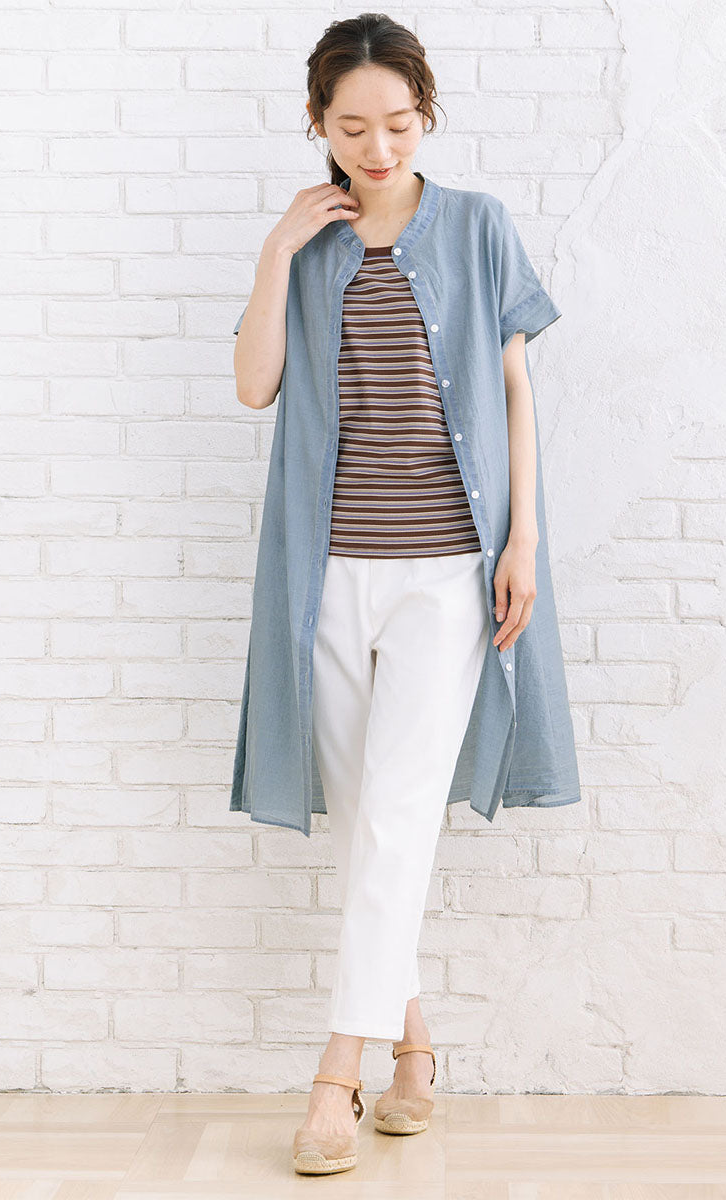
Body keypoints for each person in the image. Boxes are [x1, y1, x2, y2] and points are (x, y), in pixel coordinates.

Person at [231, 12, 582, 1177]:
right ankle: (415, 1052)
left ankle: (335, 1075)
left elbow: (516, 388)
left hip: (446, 577)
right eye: (350, 128)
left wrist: (524, 538)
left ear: (425, 114)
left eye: (397, 124)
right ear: (317, 124)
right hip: (327, 578)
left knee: (392, 820)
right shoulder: (310, 243)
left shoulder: (477, 226)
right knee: (366, 831)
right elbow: (254, 385)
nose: (376, 149)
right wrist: (276, 250)